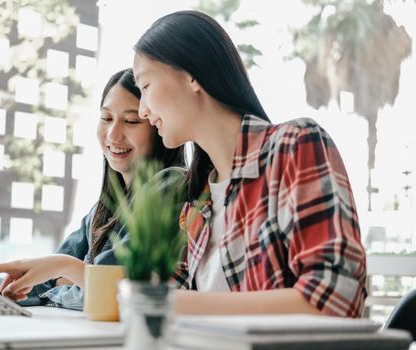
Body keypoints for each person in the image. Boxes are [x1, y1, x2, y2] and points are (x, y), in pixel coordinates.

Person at [132, 10, 367, 318]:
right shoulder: (198, 203)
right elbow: (159, 303)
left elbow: (335, 296)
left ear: (192, 76)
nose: (142, 110)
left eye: (145, 86)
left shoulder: (294, 146)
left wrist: (175, 304)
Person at [0, 68, 185, 310]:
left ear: (157, 124)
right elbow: (51, 276)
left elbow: (110, 289)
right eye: (106, 118)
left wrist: (68, 274)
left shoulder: (172, 185)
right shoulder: (104, 209)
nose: (113, 134)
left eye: (131, 121)